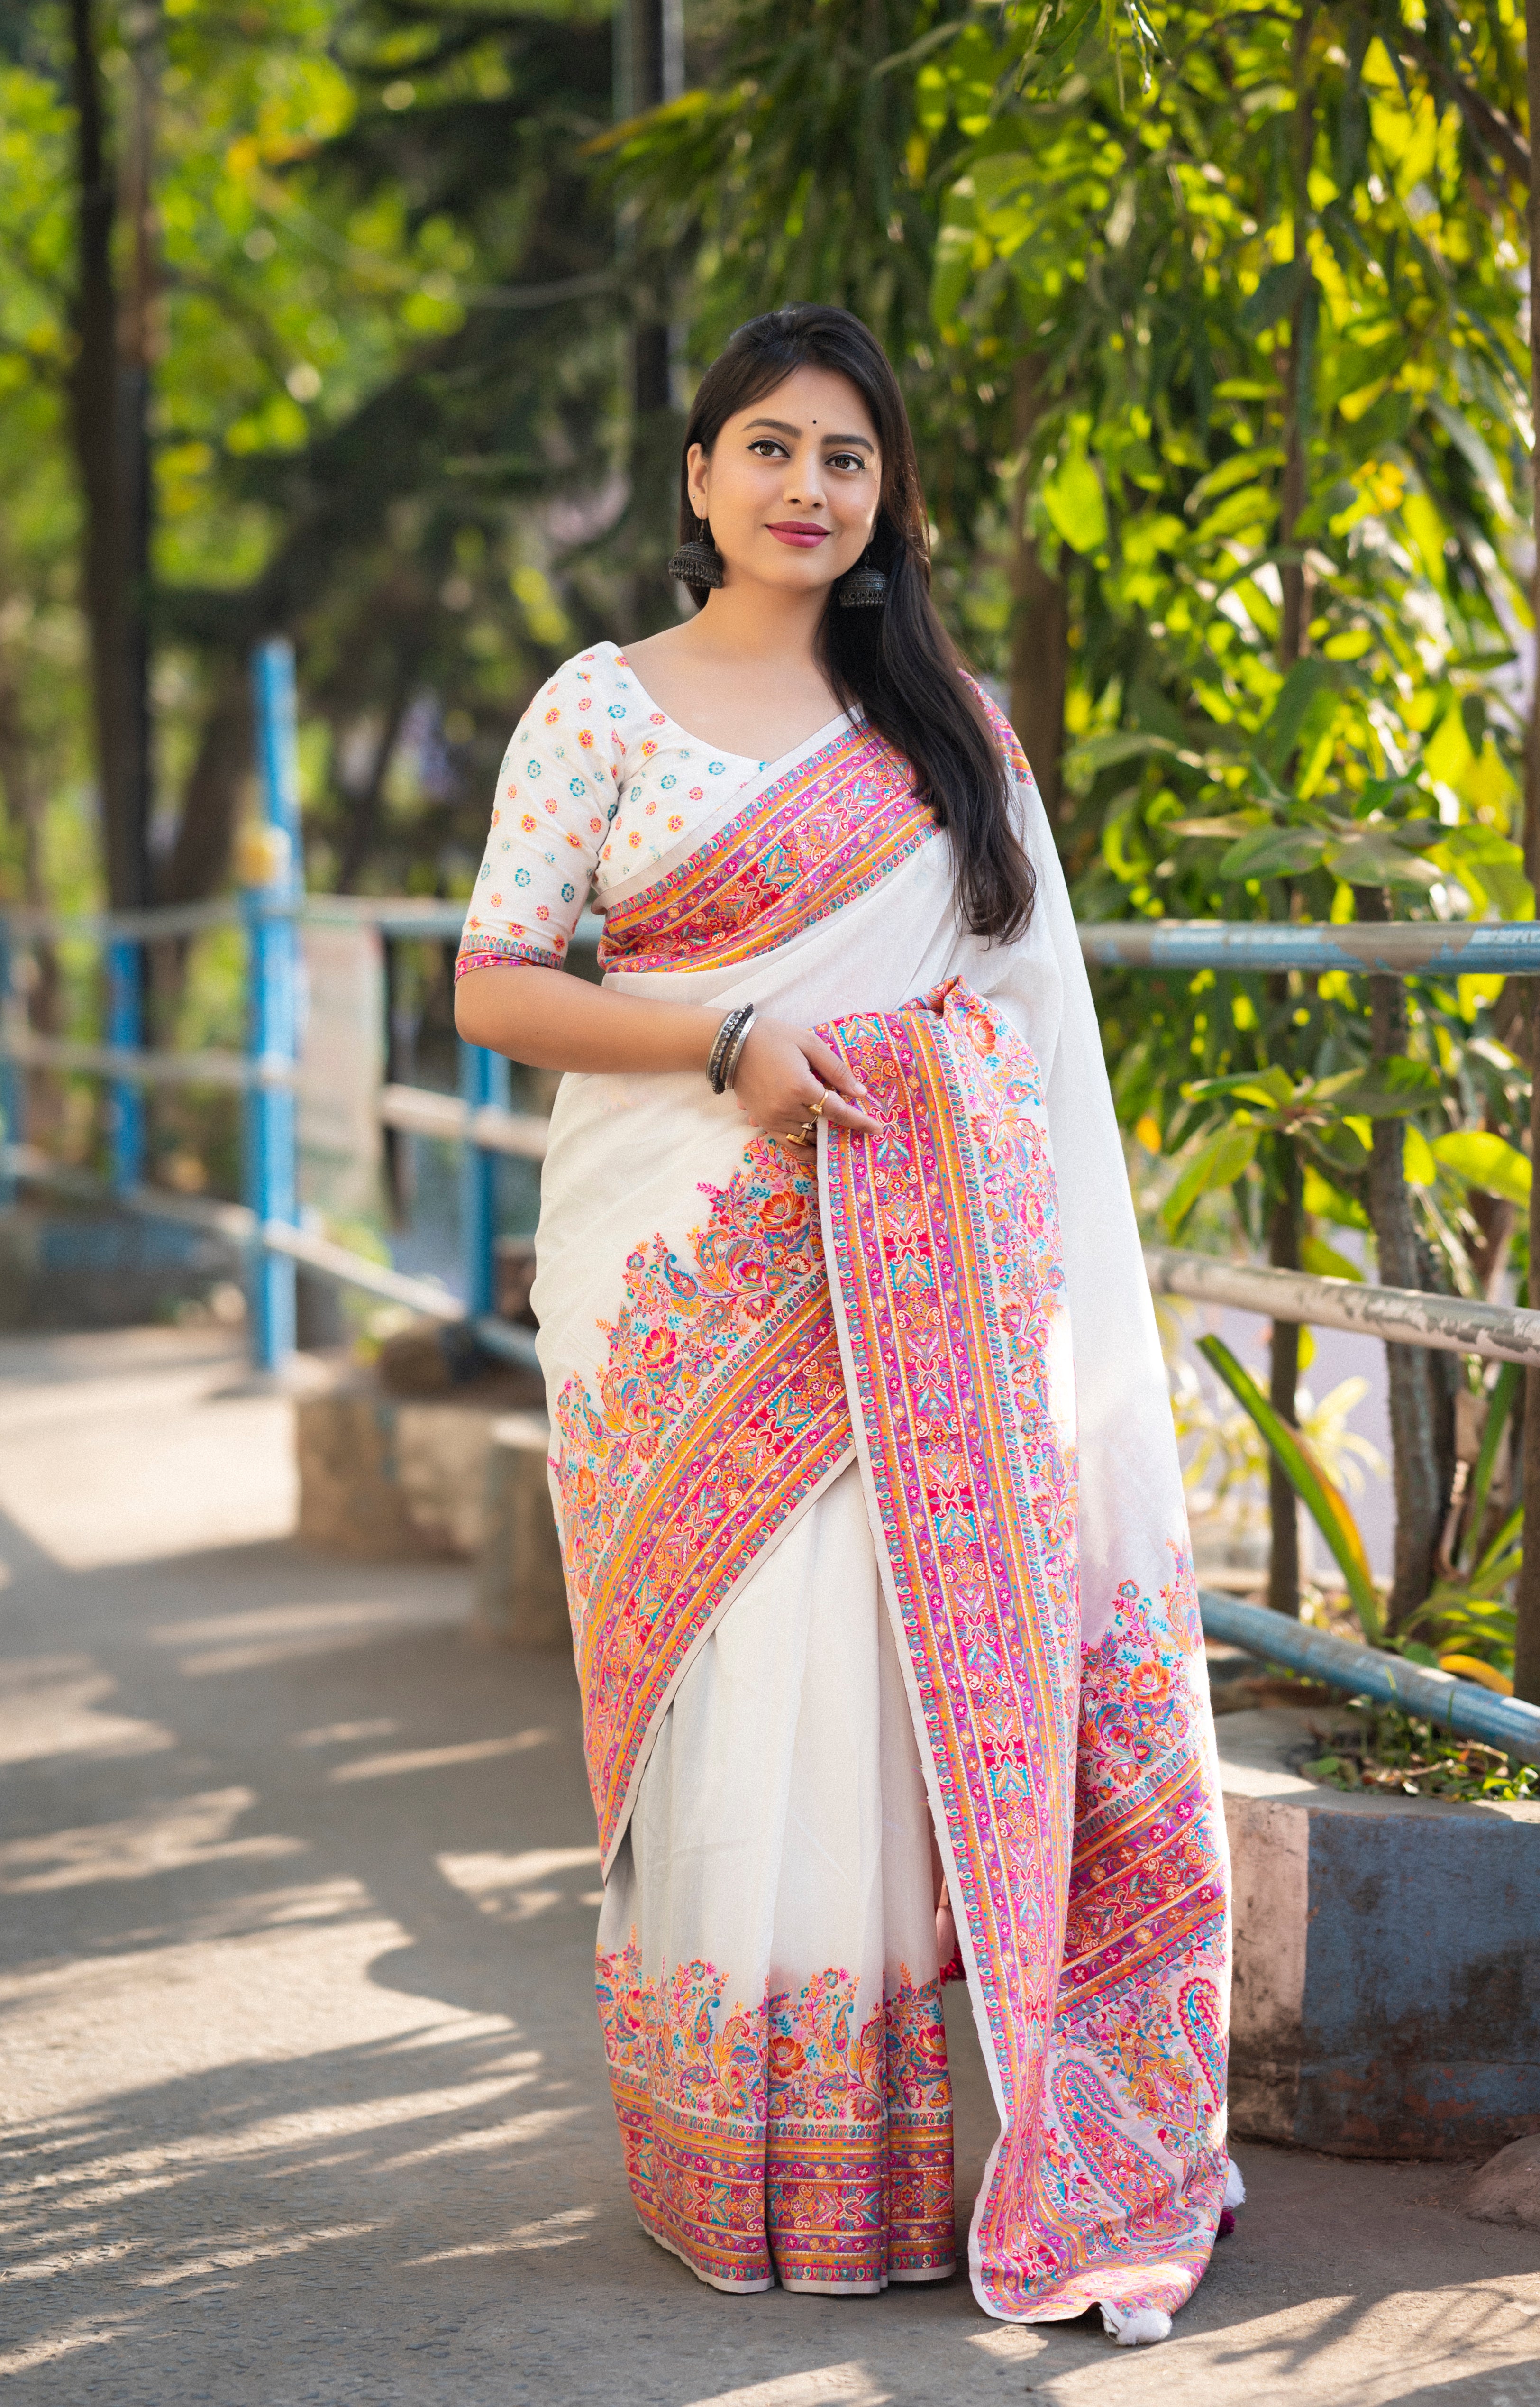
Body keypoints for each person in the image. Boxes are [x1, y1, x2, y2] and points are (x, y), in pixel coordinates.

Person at [454, 303, 1237, 2341]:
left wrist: (906, 1087)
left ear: (888, 501)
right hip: (680, 1287)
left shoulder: (940, 731)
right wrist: (736, 1039)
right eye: (773, 448)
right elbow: (495, 986)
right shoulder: (600, 710)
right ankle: (732, 2155)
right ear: (700, 473)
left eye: (851, 460)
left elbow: (1024, 1035)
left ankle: (881, 2168)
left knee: (865, 1705)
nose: (811, 487)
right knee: (736, 1696)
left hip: (922, 1302)